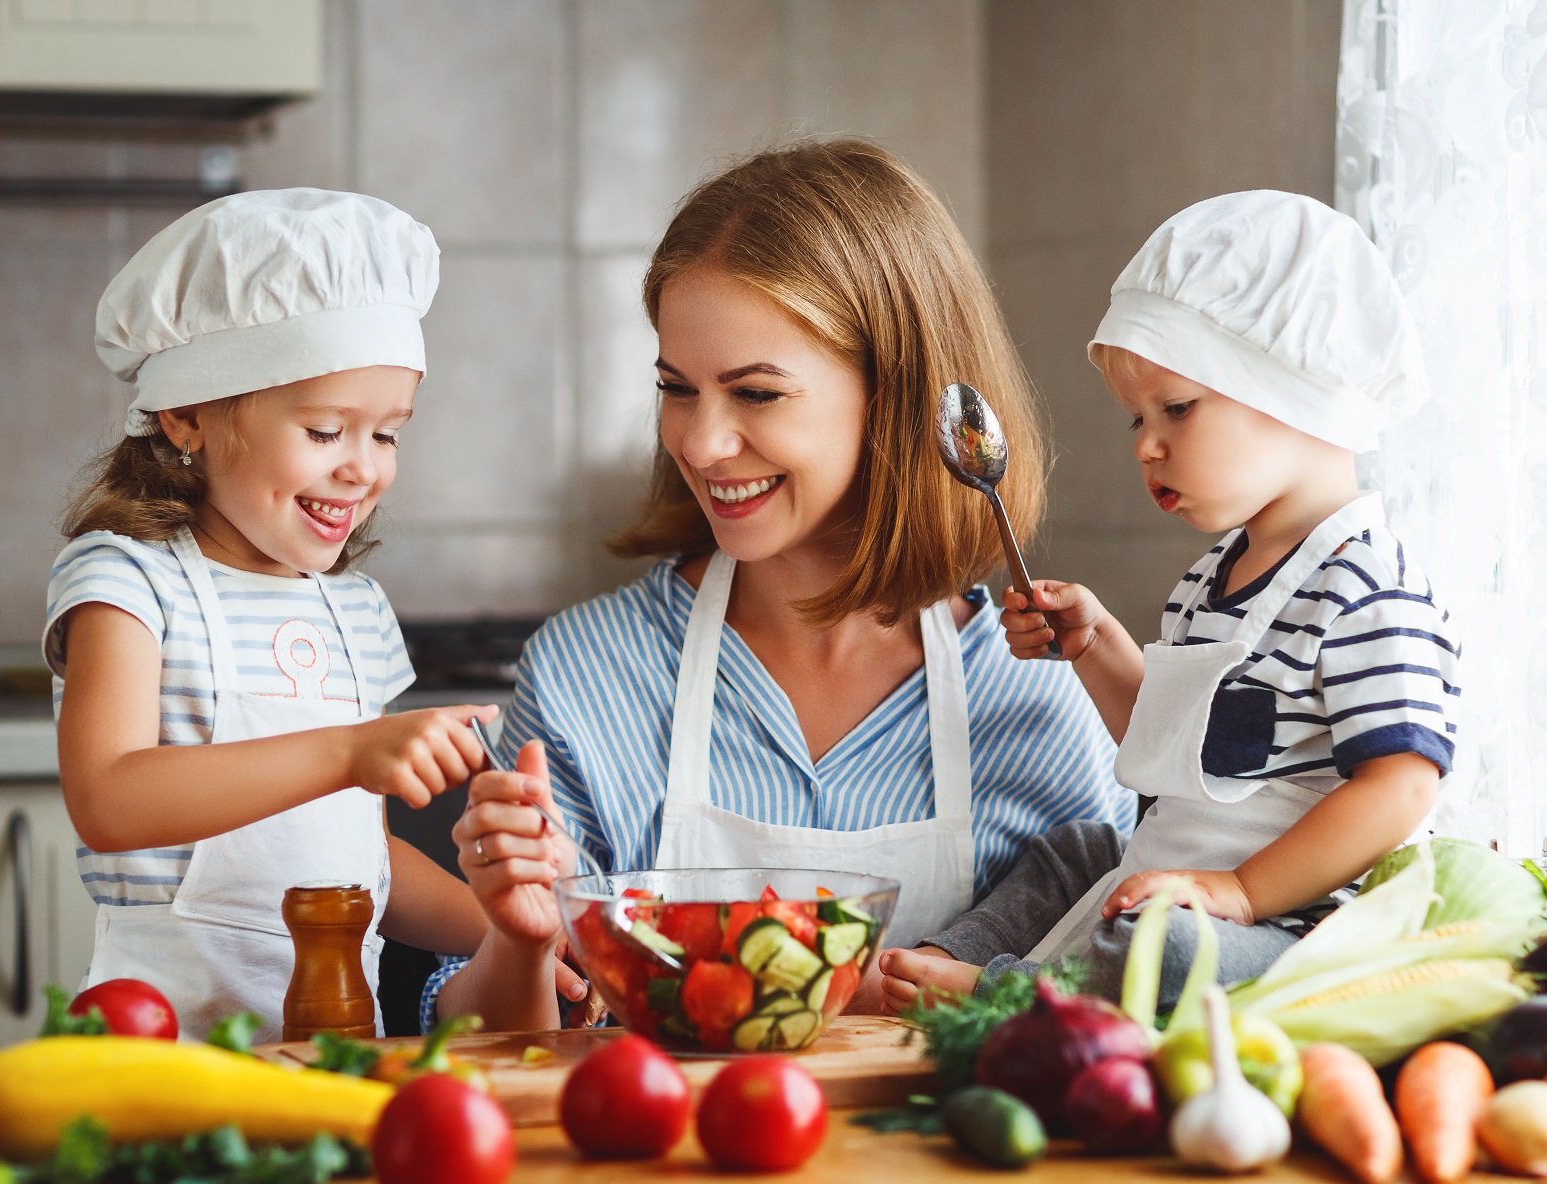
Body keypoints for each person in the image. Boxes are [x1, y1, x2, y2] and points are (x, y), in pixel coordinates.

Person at [427, 140, 1140, 1033]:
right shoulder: (586, 673)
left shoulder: (1043, 692)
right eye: (676, 388)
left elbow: (1112, 1011)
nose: (700, 442)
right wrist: (519, 945)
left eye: (756, 394)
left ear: (898, 394)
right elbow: (484, 1047)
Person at [879, 190, 1459, 1012]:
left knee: (1170, 945)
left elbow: (1401, 787)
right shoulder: (1214, 576)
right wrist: (1096, 644)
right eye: (1137, 422)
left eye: (1177, 410)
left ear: (1293, 390)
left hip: (1296, 926)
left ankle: (1002, 998)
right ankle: (947, 959)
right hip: (1193, 874)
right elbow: (1177, 748)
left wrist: (1242, 893)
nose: (1148, 445)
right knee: (1078, 851)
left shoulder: (1369, 586)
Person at [46, 189, 578, 1041]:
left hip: (332, 1052)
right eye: (328, 431)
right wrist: (351, 751)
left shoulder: (352, 610)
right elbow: (109, 799)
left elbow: (359, 860)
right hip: (160, 1052)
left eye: (388, 435)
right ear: (188, 416)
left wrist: (534, 934)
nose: (363, 470)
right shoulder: (128, 582)